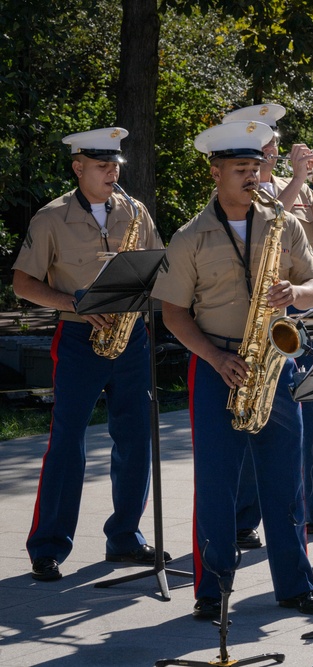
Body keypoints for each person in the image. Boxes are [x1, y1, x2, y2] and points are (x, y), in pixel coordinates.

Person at [152, 120, 313, 619]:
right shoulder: (190, 236)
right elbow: (173, 313)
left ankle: (295, 585)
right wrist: (215, 357)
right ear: (215, 172)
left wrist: (294, 295)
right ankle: (211, 592)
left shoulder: (283, 223)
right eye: (241, 169)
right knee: (216, 483)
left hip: (274, 362)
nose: (253, 177)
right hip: (217, 363)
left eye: (256, 167)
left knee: (285, 482)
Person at [12, 127, 166, 582]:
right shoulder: (50, 217)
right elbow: (23, 284)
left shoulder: (135, 210)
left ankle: (126, 538)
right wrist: (73, 302)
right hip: (80, 339)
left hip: (131, 338)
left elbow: (160, 267)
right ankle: (48, 547)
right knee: (66, 443)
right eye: (102, 165)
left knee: (137, 439)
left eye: (115, 164)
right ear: (78, 167)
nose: (112, 171)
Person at [220, 104, 313, 550]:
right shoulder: (244, 190)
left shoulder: (296, 187)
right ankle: (243, 517)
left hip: (306, 308)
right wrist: (295, 180)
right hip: (265, 317)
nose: (275, 147)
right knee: (263, 417)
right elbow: (271, 221)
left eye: (274, 139)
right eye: (267, 141)